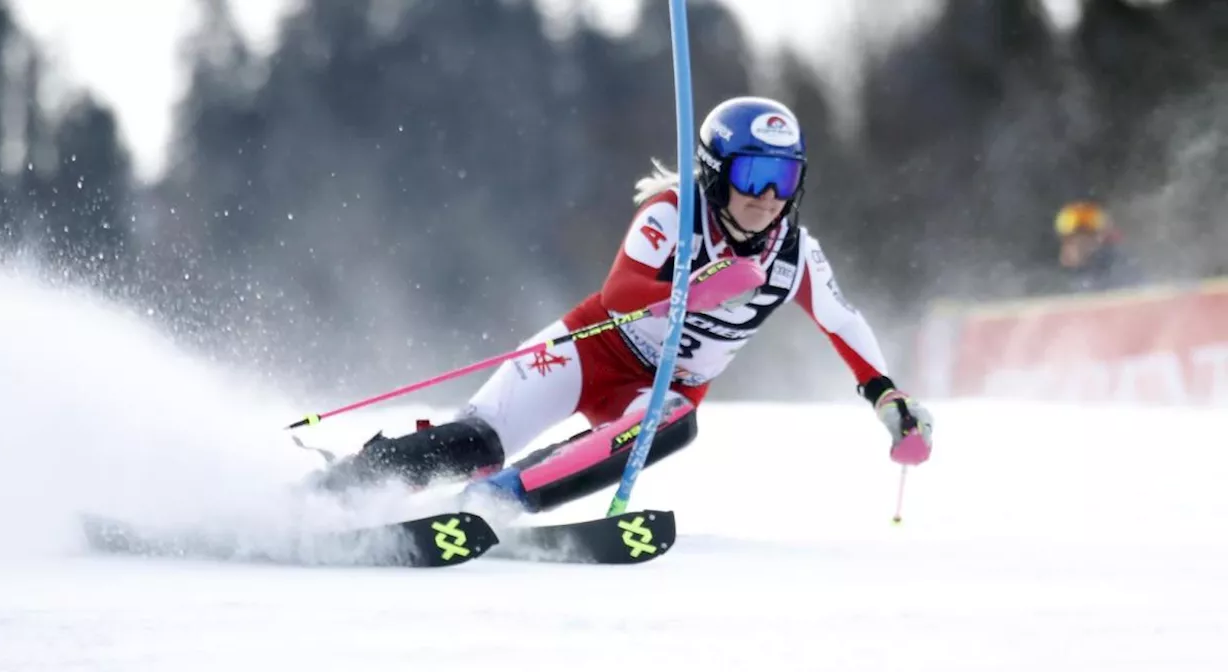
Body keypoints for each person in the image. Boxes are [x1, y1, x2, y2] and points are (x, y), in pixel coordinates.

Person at [314, 96, 935, 515]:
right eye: (751, 175)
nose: (768, 197)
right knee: (477, 440)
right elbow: (621, 294)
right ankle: (337, 488)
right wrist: (697, 289)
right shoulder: (673, 213)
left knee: (674, 422)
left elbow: (843, 324)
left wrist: (888, 397)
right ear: (716, 173)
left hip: (661, 389)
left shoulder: (796, 255)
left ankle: (496, 503)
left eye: (785, 178)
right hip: (589, 349)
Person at [1048, 200, 1144, 294]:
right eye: (1070, 240)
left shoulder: (1121, 271)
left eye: (1086, 236)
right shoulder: (1051, 282)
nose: (1077, 245)